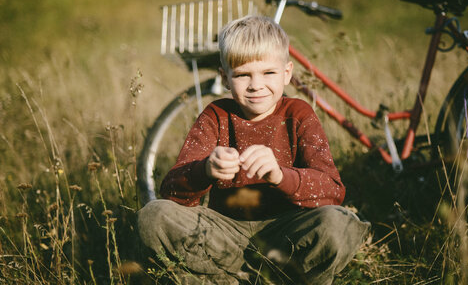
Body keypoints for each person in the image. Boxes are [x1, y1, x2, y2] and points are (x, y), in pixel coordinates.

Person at [138, 15, 370, 284]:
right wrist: (206, 170)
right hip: (223, 233)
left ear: (287, 73)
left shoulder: (298, 114)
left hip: (285, 233)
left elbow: (331, 191)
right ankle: (236, 277)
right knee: (153, 216)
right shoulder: (215, 115)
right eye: (242, 74)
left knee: (338, 223)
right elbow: (171, 192)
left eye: (268, 73)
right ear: (225, 78)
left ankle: (261, 277)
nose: (256, 85)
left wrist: (280, 176)